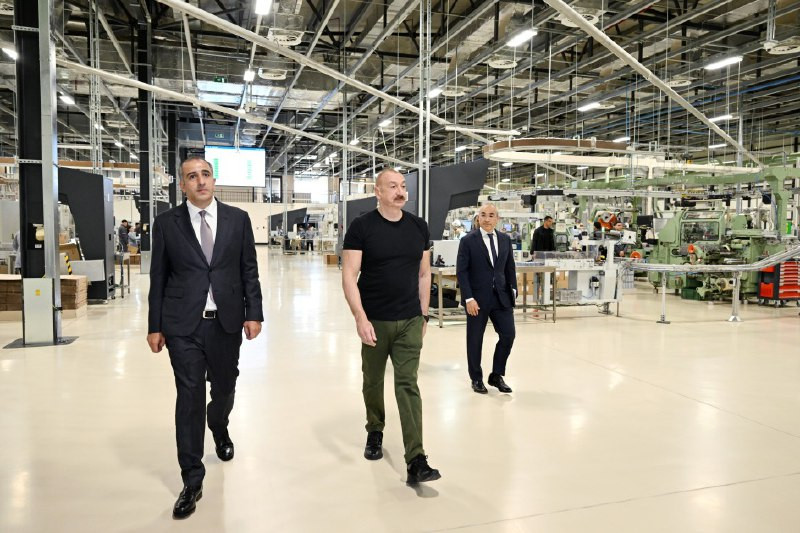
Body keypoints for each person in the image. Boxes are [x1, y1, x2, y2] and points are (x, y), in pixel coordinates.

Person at [147, 156, 263, 519]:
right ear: (182, 185)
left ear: (214, 179)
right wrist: (154, 325)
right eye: (192, 176)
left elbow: (249, 269)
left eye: (205, 174)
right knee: (190, 396)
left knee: (225, 387)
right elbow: (158, 277)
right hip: (183, 325)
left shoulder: (238, 219)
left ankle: (220, 425)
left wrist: (254, 312)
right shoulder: (167, 223)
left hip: (226, 322)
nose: (200, 181)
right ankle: (192, 479)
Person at [341, 168, 441, 485]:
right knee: (372, 381)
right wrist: (360, 317)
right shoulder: (361, 227)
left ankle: (416, 458)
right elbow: (349, 275)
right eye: (393, 186)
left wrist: (424, 315)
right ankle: (375, 429)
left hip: (410, 319)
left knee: (408, 384)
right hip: (375, 320)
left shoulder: (418, 227)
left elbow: (424, 274)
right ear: (378, 191)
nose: (400, 191)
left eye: (403, 186)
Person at [456, 204, 517, 394]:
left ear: (497, 219)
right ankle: (476, 378)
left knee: (508, 335)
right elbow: (462, 272)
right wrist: (468, 298)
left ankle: (496, 375)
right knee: (475, 340)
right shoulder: (468, 241)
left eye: (491, 215)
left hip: (501, 297)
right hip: (477, 299)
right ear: (478, 218)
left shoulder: (505, 240)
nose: (487, 219)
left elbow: (509, 267)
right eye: (483, 215)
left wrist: (513, 289)